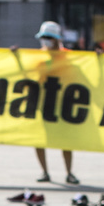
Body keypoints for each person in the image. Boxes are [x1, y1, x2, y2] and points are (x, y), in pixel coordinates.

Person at [31, 21, 78, 185]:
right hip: (44, 103)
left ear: (57, 39)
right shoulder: (39, 57)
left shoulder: (68, 56)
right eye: (44, 37)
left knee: (66, 141)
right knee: (39, 140)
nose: (46, 40)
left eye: (49, 37)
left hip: (63, 103)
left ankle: (69, 173)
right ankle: (44, 172)